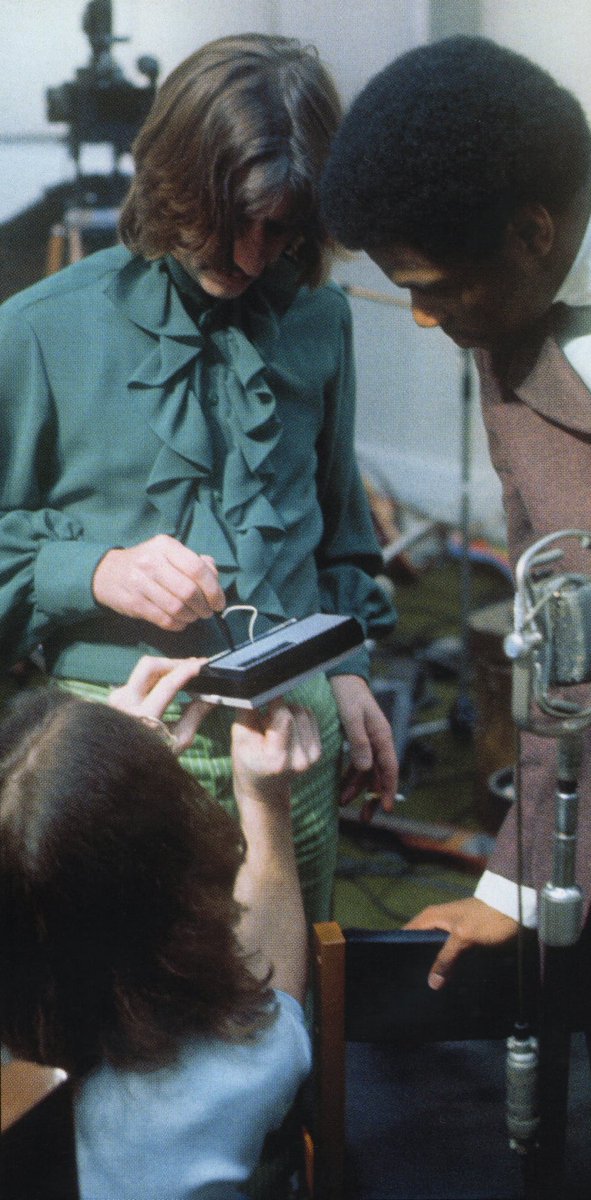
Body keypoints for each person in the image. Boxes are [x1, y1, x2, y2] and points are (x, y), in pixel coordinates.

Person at [0, 33, 398, 926]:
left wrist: (348, 670)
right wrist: (93, 570)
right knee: (129, 1034)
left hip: (293, 735)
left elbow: (338, 538)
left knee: (289, 1018)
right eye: (234, 225)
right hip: (115, 743)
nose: (257, 256)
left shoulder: (320, 319)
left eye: (285, 228)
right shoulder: (36, 331)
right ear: (174, 183)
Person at [321, 36, 591, 984]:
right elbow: (565, 660)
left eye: (430, 290)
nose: (424, 320)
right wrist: (514, 884)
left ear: (532, 233)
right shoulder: (506, 320)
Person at [0, 655, 318, 1199]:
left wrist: (81, 783)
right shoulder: (245, 1062)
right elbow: (278, 992)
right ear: (173, 883)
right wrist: (266, 804)